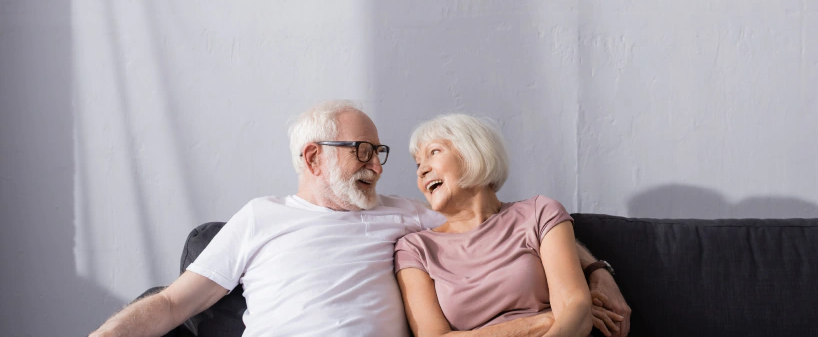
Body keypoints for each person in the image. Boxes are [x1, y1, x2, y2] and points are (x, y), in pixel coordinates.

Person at [89, 101, 630, 337]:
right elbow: (169, 304)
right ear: (313, 157)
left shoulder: (406, 218)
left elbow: (503, 221)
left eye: (379, 153)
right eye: (362, 151)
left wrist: (596, 267)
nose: (378, 165)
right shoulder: (260, 218)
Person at [395, 114, 625, 337]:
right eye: (418, 163)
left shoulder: (539, 212)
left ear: (474, 152)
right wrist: (541, 321)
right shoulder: (415, 248)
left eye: (434, 152)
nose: (421, 170)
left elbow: (575, 310)